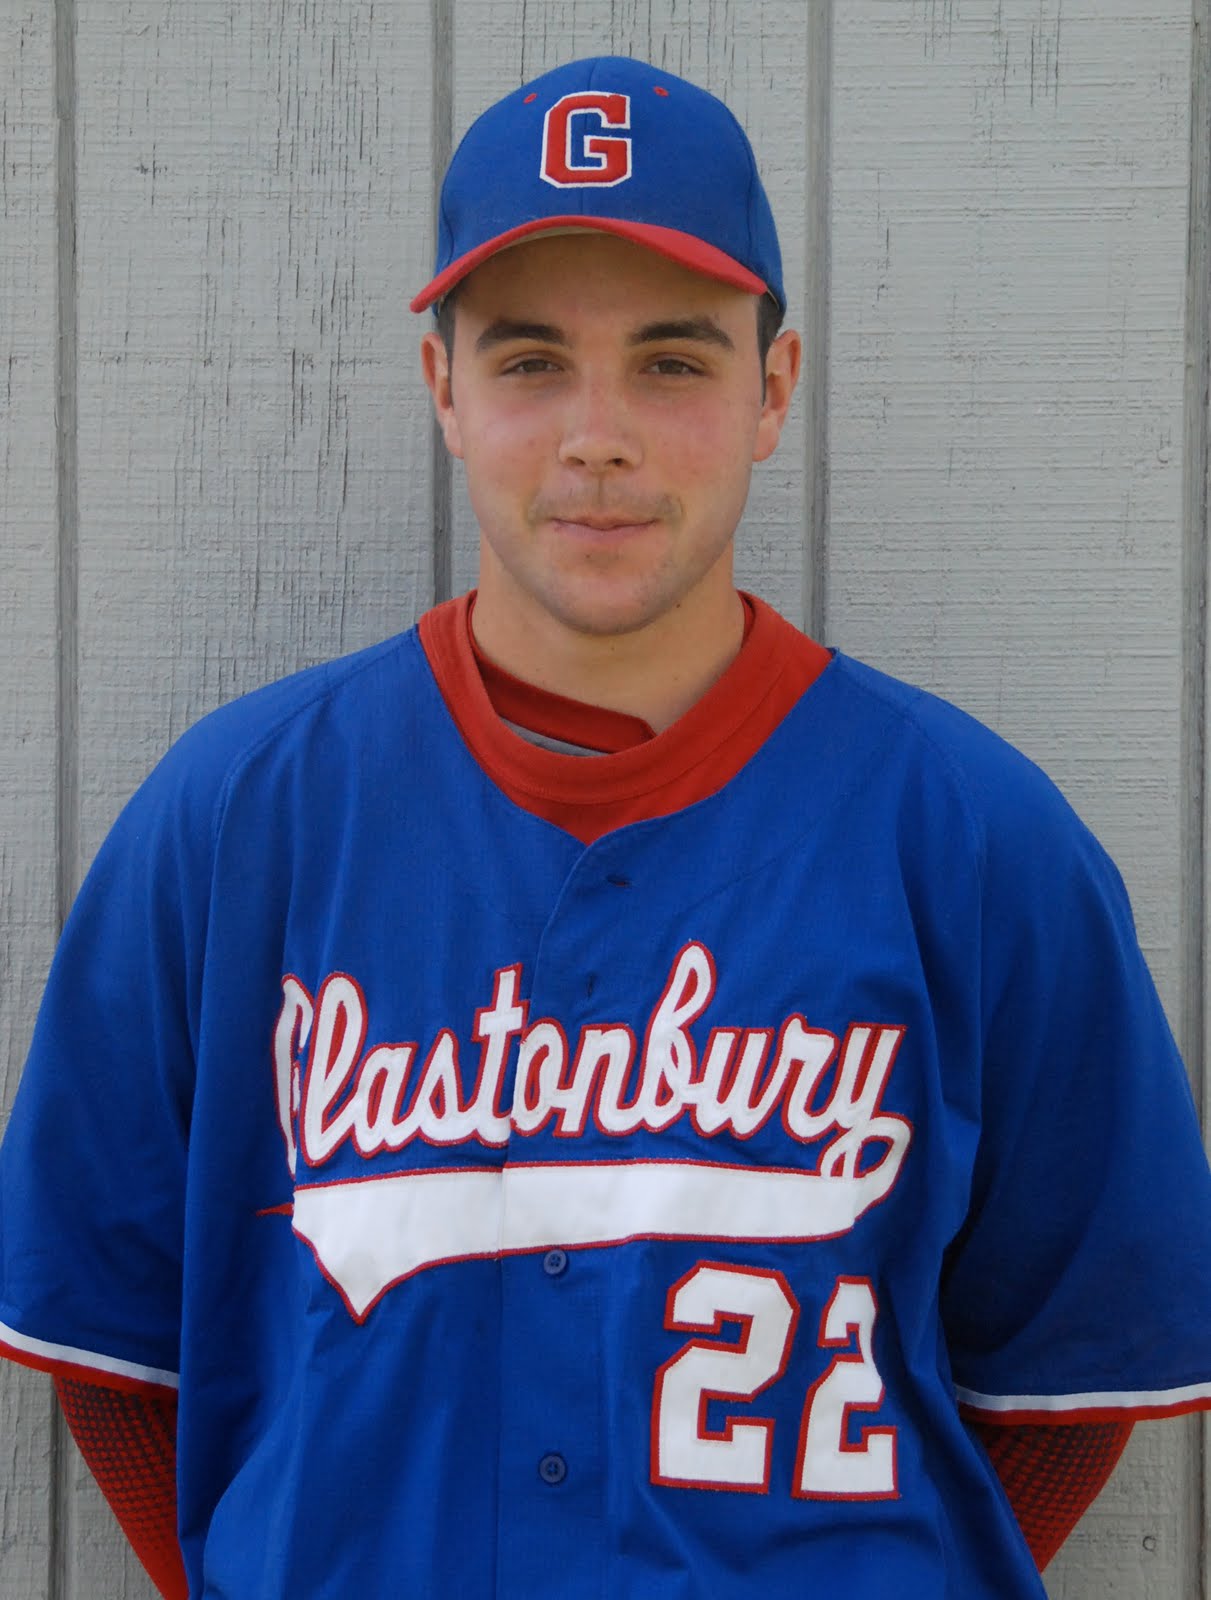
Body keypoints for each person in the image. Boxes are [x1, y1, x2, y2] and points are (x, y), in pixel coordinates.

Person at [2, 54, 1210, 1600]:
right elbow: (106, 1340)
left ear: (774, 390)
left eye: (672, 362)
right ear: (442, 388)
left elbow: (1068, 1369)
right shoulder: (237, 819)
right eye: (527, 363)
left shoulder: (974, 841)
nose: (598, 436)